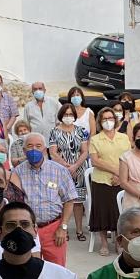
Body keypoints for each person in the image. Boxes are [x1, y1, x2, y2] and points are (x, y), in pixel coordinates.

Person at [16, 132, 78, 266]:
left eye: (38, 146)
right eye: (30, 146)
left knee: (57, 272)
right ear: (24, 150)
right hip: (28, 230)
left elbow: (69, 200)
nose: (34, 150)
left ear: (45, 149)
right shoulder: (17, 172)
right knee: (30, 271)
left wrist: (63, 227)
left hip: (54, 229)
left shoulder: (59, 170)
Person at [89, 106, 130, 256]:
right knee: (102, 212)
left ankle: (119, 243)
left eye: (110, 118)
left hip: (121, 180)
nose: (108, 121)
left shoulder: (123, 138)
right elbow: (95, 161)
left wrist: (120, 176)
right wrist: (115, 171)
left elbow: (128, 158)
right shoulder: (95, 139)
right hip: (101, 181)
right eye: (105, 119)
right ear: (100, 121)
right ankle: (104, 243)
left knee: (119, 213)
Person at [49, 101, 90, 242]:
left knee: (77, 202)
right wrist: (66, 166)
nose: (68, 116)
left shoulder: (81, 131)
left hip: (78, 170)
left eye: (71, 114)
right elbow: (53, 152)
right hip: (61, 171)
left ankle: (79, 230)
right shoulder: (54, 131)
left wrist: (75, 166)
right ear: (61, 115)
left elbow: (84, 151)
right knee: (62, 200)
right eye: (65, 114)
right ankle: (63, 228)